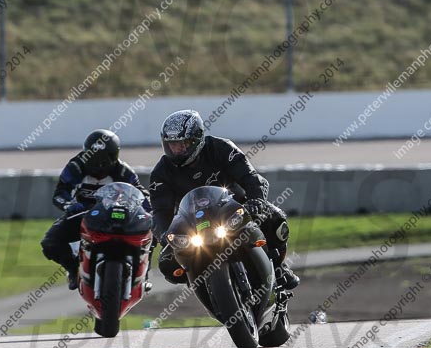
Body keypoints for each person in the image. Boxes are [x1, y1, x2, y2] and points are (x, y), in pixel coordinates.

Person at [150, 109, 300, 292]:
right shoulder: (161, 172)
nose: (177, 149)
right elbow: (159, 210)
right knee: (167, 263)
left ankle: (278, 267)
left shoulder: (221, 148)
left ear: (197, 139)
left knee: (274, 218)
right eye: (172, 144)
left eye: (183, 144)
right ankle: (203, 284)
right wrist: (164, 233)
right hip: (192, 225)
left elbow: (250, 177)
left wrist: (256, 201)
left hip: (235, 211)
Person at [41, 129, 150, 290]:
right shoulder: (76, 166)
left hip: (114, 215)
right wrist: (70, 205)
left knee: (148, 231)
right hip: (82, 214)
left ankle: (144, 275)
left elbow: (140, 193)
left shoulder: (123, 171)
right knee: (50, 243)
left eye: (100, 160)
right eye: (90, 157)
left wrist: (148, 211)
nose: (94, 164)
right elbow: (59, 193)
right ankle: (73, 269)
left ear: (113, 157)